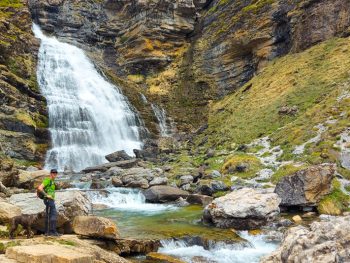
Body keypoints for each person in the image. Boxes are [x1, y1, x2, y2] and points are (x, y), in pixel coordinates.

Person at [37, 168, 61, 236]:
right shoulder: (47, 180)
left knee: (49, 215)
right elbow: (40, 188)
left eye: (56, 173)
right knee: (53, 215)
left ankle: (48, 232)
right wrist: (46, 195)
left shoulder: (53, 181)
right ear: (50, 173)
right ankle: (52, 232)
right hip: (48, 200)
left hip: (50, 200)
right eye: (53, 173)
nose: (55, 174)